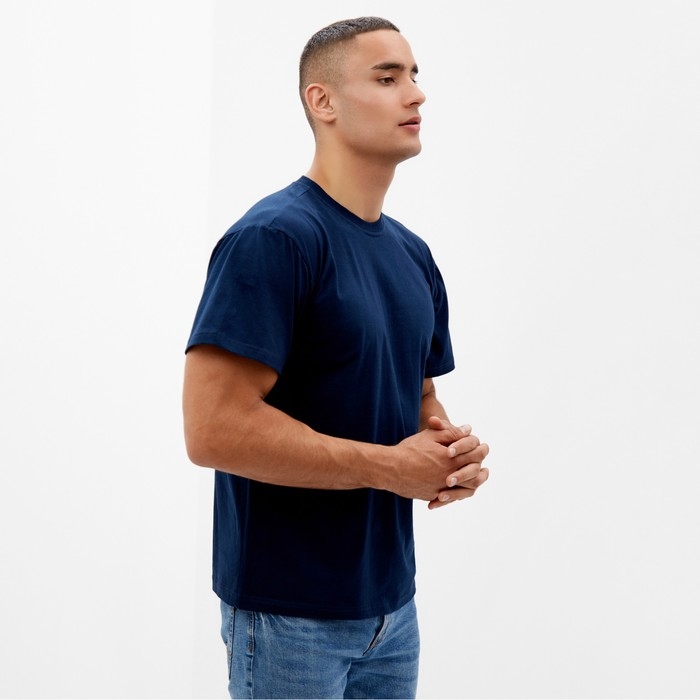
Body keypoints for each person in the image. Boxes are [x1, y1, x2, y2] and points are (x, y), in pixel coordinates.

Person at [182, 16, 490, 699]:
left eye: (415, 75)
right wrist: (390, 467)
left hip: (392, 608)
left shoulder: (412, 254)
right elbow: (212, 430)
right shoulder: (273, 239)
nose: (416, 93)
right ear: (322, 101)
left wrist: (446, 454)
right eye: (387, 77)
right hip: (289, 613)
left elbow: (417, 397)